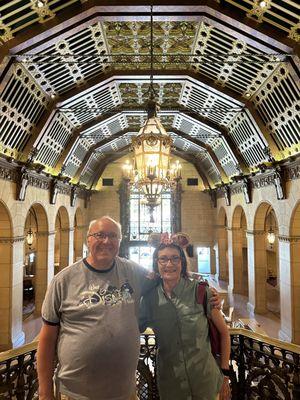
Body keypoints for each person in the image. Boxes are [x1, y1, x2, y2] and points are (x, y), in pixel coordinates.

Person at [37, 216, 221, 400]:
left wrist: (204, 289)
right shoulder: (63, 280)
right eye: (100, 235)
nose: (106, 241)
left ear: (119, 241)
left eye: (113, 236)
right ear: (88, 239)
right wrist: (45, 393)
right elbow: (47, 338)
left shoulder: (132, 271)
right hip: (75, 393)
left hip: (124, 392)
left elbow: (165, 275)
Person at [139, 241, 231, 400]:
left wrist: (225, 375)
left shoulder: (201, 292)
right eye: (163, 259)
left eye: (175, 258)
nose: (169, 264)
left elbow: (224, 334)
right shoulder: (149, 299)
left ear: (182, 262)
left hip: (207, 382)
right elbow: (132, 328)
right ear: (156, 264)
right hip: (171, 386)